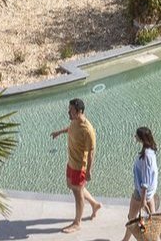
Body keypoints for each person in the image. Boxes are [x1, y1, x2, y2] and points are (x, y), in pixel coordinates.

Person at [50, 97, 101, 233]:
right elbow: (71, 129)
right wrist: (59, 132)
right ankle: (94, 204)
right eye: (69, 109)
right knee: (71, 186)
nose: (69, 112)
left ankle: (77, 222)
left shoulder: (88, 130)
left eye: (71, 110)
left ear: (79, 111)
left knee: (77, 193)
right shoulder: (74, 121)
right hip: (71, 162)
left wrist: (89, 171)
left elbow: (91, 152)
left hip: (80, 167)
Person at [121, 127, 161, 241]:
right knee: (153, 219)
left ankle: (124, 240)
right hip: (149, 193)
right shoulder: (151, 151)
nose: (135, 137)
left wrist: (143, 200)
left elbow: (145, 180)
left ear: (141, 138)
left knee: (131, 218)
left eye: (137, 135)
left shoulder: (146, 156)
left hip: (141, 194)